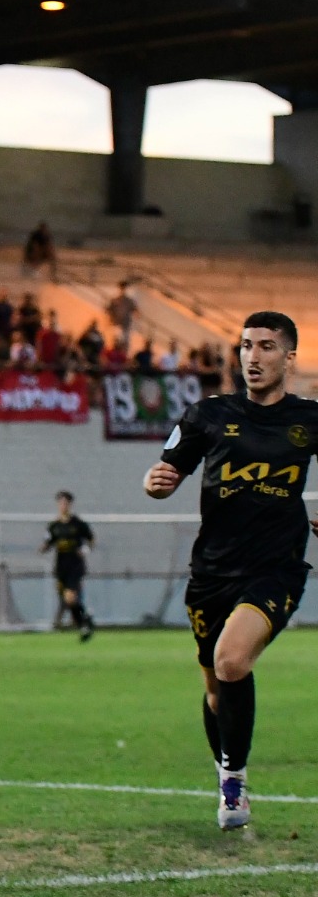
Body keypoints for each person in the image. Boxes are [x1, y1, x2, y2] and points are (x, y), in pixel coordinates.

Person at [143, 310, 318, 832]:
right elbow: (166, 471)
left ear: (289, 357)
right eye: (245, 346)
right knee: (218, 690)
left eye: (266, 346)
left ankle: (234, 783)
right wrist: (155, 483)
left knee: (232, 659)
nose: (252, 357)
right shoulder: (207, 415)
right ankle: (226, 771)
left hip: (275, 567)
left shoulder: (309, 418)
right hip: (212, 572)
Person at [43, 491, 96, 641]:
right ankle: (85, 622)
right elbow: (48, 541)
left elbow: (91, 539)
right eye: (61, 503)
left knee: (70, 597)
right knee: (67, 600)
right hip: (61, 566)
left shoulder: (78, 524)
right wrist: (43, 548)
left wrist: (85, 550)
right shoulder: (54, 526)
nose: (63, 506)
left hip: (75, 565)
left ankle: (83, 623)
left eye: (66, 503)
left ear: (70, 505)